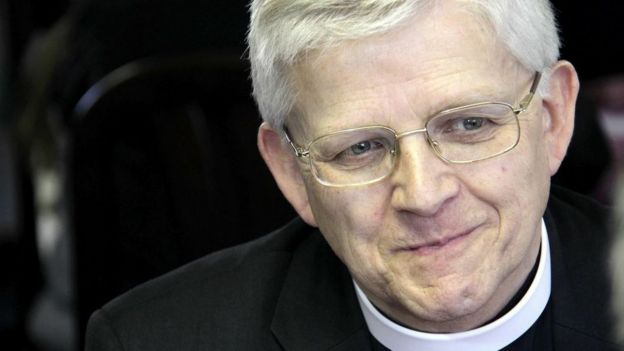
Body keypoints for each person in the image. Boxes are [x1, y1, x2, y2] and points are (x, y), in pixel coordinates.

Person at [84, 0, 622, 350]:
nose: (425, 194)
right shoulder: (151, 341)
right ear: (293, 173)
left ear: (552, 118)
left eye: (469, 124)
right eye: (360, 148)